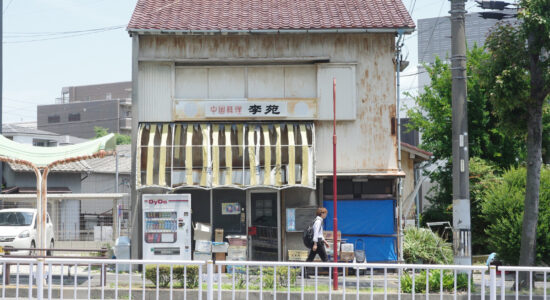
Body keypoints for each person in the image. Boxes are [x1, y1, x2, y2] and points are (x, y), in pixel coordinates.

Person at [305, 207, 330, 278]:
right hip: (318, 243)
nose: (326, 215)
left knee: (310, 258)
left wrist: (325, 241)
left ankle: (303, 272)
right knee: (325, 258)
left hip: (318, 242)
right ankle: (333, 274)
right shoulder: (318, 221)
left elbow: (320, 234)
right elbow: (316, 233)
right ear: (321, 213)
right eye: (325, 213)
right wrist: (315, 244)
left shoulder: (319, 221)